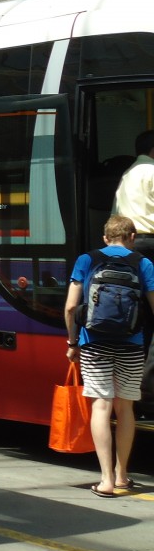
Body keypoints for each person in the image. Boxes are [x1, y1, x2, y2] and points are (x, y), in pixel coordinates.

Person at [63, 215, 154, 497]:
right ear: (132, 237)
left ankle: (105, 480)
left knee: (101, 406)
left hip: (94, 343)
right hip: (131, 343)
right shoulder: (144, 263)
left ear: (105, 238)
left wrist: (73, 342)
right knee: (125, 409)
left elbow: (69, 308)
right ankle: (122, 475)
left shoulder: (86, 260)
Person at [112, 130, 154, 413]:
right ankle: (148, 389)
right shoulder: (151, 172)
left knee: (138, 318)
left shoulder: (127, 175)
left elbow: (115, 214)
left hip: (130, 247)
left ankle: (131, 386)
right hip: (152, 243)